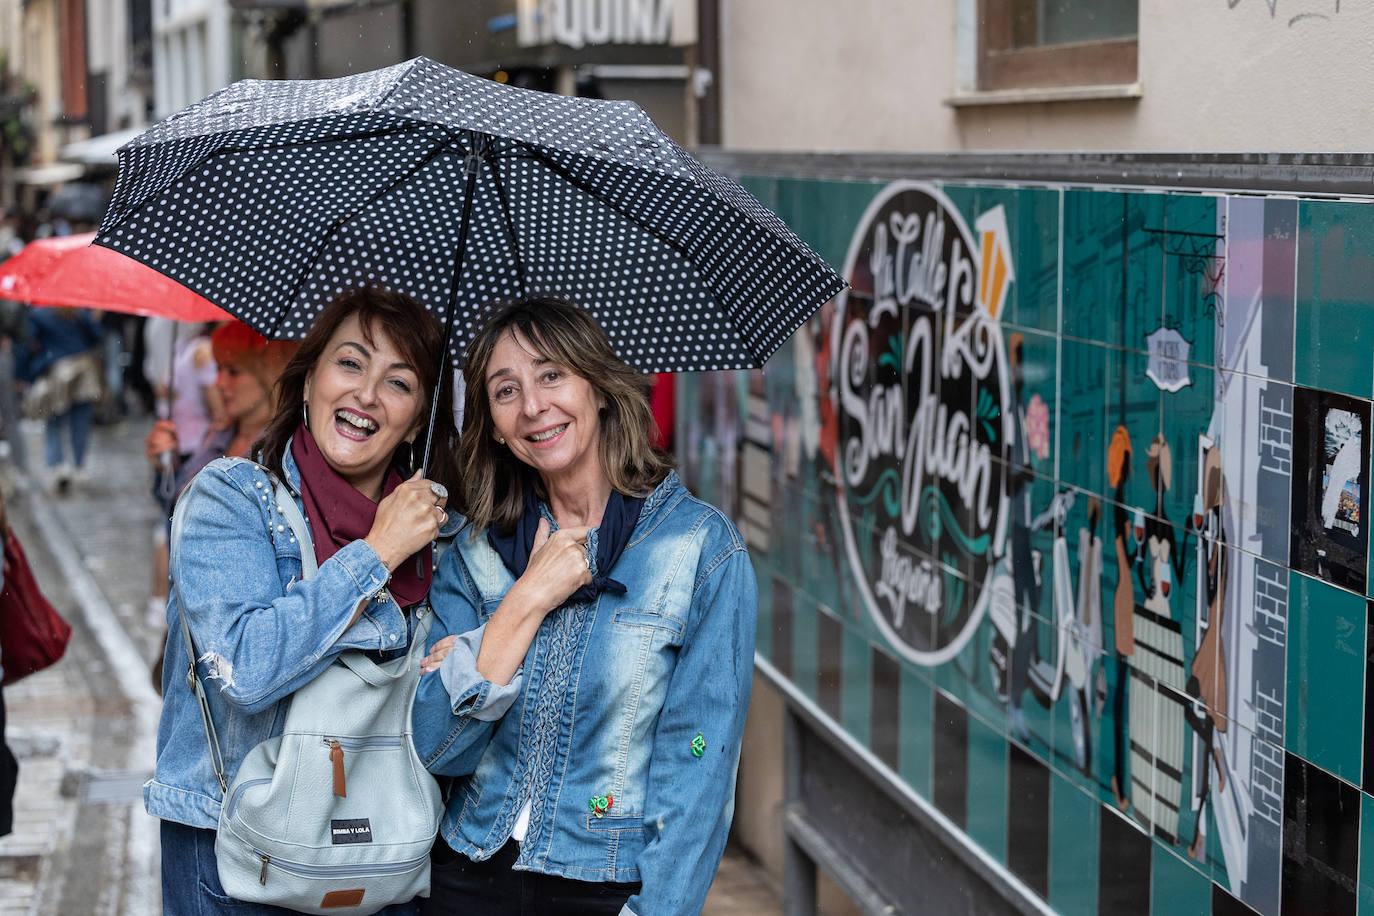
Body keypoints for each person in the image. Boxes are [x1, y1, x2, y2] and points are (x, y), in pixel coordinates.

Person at [413, 295, 758, 916]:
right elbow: (437, 746)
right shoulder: (474, 550)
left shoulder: (698, 550)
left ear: (598, 388)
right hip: (466, 876)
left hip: (604, 889)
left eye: (552, 375)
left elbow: (698, 766)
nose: (534, 406)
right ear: (491, 422)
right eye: (505, 389)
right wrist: (524, 601)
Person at [146, 286, 459, 914]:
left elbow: (444, 730)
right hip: (234, 852)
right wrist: (375, 555)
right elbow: (245, 667)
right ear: (310, 377)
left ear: (418, 421)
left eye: (399, 383)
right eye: (350, 363)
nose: (366, 394)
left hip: (381, 860)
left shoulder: (443, 538)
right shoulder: (230, 499)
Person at [143, 321, 298, 682]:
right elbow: (180, 514)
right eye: (218, 370)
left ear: (270, 372)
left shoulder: (283, 453)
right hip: (185, 618)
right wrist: (168, 464)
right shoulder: (220, 433)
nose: (219, 383)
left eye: (234, 371)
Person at [17, 307, 103, 494]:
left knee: (54, 421)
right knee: (80, 422)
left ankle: (58, 465)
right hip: (82, 370)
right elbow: (97, 337)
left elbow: (30, 345)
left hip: (55, 371)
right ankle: (78, 465)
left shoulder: (38, 315)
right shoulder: (81, 311)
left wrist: (25, 374)